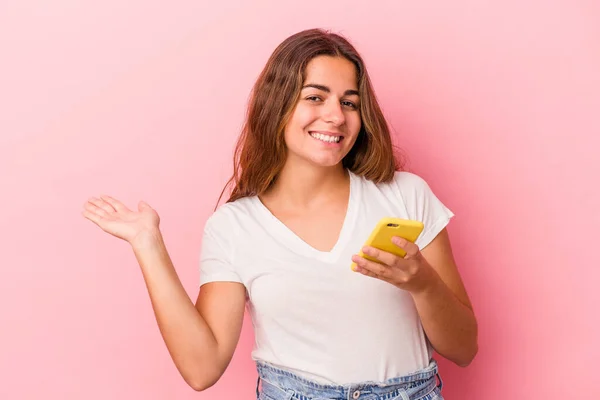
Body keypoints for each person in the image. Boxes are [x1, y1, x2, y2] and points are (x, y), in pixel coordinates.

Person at [82, 28, 478, 400]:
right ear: (279, 105)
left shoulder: (405, 195)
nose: (336, 116)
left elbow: (464, 349)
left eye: (349, 102)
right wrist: (147, 244)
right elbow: (202, 369)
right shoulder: (234, 227)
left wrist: (423, 283)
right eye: (315, 97)